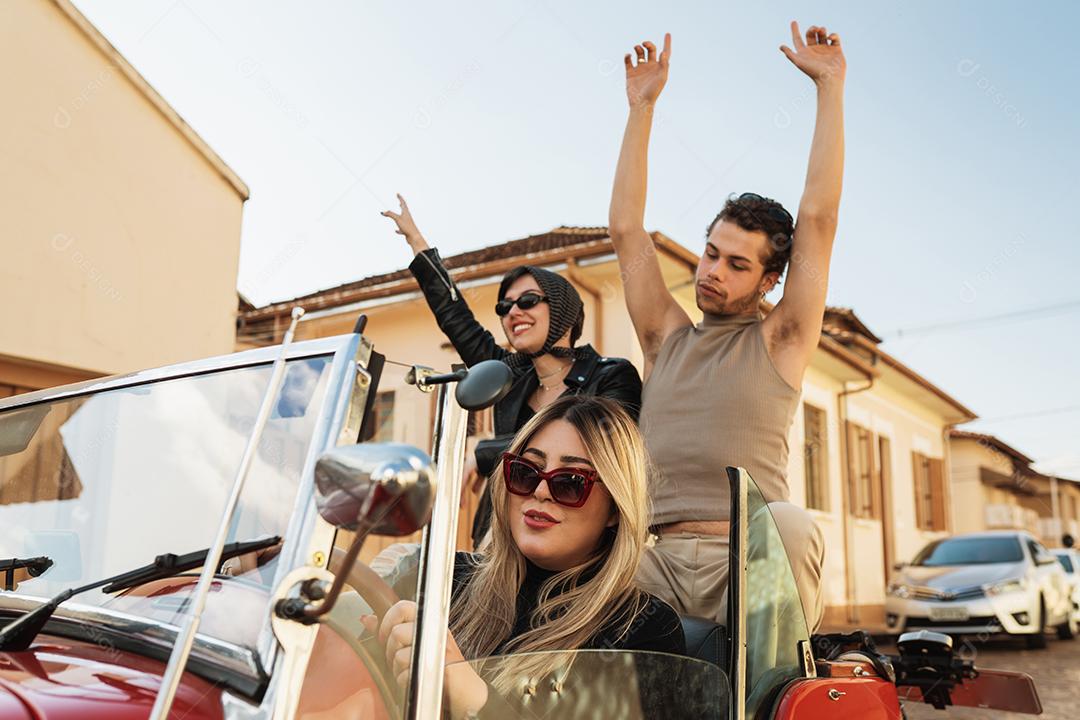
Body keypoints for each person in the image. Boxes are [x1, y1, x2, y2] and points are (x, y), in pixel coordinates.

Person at [607, 24, 845, 632]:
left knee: (791, 521)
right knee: (588, 569)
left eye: (737, 264)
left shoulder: (782, 339)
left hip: (745, 561)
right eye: (711, 252)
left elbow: (818, 218)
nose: (712, 271)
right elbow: (627, 232)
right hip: (653, 563)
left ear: (769, 281)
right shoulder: (666, 339)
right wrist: (641, 109)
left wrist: (830, 87)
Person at [362, 396, 685, 718]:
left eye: (570, 482)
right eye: (526, 472)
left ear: (615, 507)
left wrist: (469, 695)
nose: (541, 492)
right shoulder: (443, 578)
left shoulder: (640, 629)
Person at [381, 196, 643, 548]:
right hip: (499, 535)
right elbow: (457, 320)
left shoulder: (612, 376)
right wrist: (418, 243)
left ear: (563, 309)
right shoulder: (508, 374)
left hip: (576, 546)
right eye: (505, 306)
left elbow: (601, 449)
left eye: (528, 301)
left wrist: (484, 453)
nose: (513, 312)